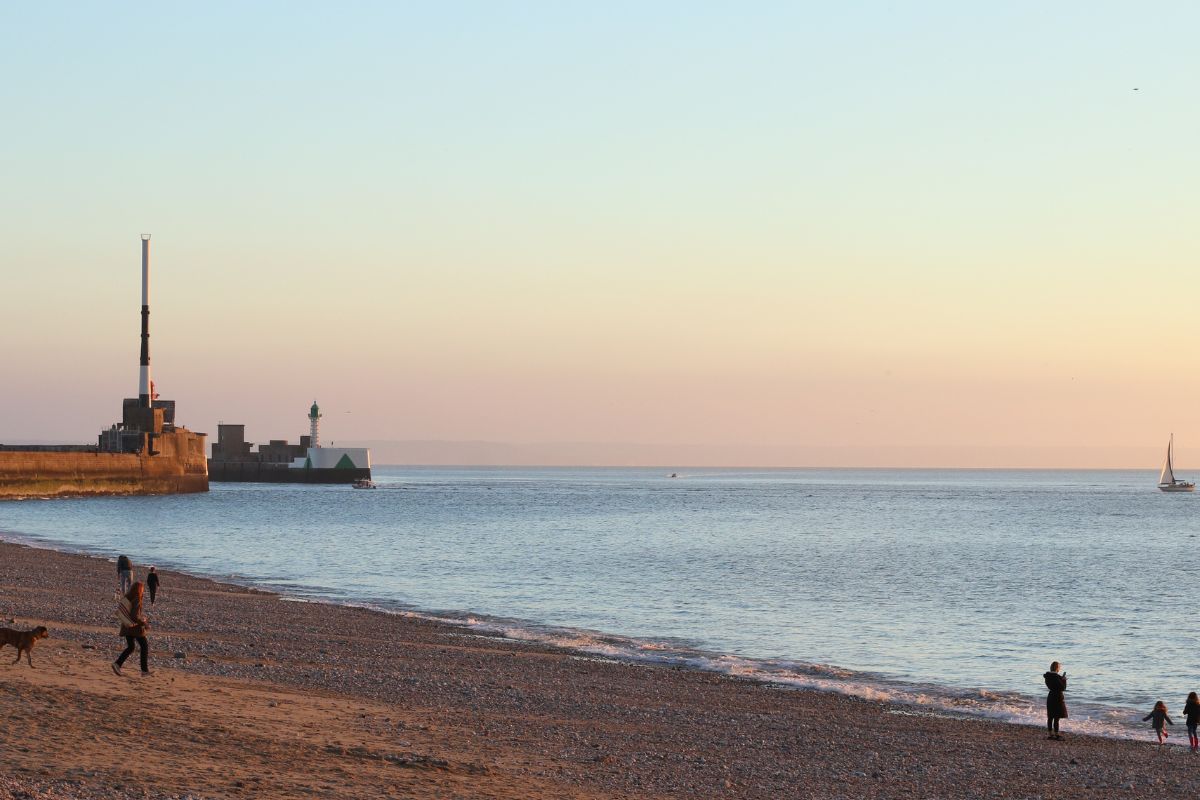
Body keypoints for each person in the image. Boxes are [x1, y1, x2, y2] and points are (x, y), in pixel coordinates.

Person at [112, 581, 150, 676]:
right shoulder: (137, 599)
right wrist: (144, 623)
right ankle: (144, 671)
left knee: (131, 647)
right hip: (134, 628)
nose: (143, 591)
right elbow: (135, 616)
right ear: (140, 590)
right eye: (143, 589)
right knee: (144, 646)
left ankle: (117, 664)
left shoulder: (128, 597)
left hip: (126, 626)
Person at [1044, 661, 1068, 739]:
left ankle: (1050, 734)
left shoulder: (1048, 676)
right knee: (1057, 717)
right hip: (1057, 697)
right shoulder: (1057, 677)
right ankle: (1056, 734)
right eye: (1059, 667)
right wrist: (1064, 680)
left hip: (1051, 696)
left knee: (1050, 716)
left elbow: (1052, 685)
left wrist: (1061, 679)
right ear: (1057, 668)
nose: (1060, 668)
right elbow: (1062, 688)